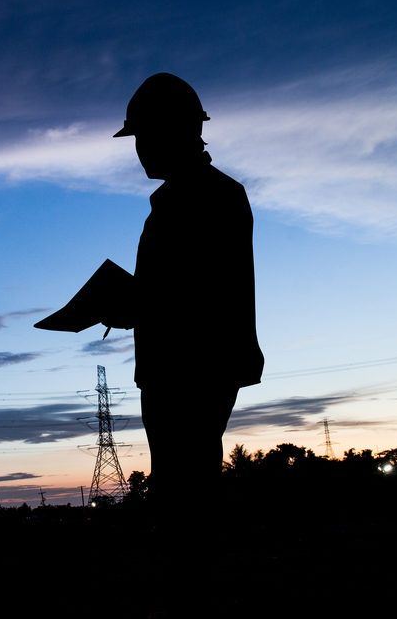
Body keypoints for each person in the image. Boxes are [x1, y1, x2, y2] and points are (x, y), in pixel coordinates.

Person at [102, 72, 264, 514]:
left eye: (144, 138)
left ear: (172, 133)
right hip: (183, 367)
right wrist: (135, 303)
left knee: (185, 493)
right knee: (185, 485)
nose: (139, 152)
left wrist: (130, 303)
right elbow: (181, 289)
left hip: (190, 368)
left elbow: (197, 296)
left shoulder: (204, 198)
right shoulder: (193, 196)